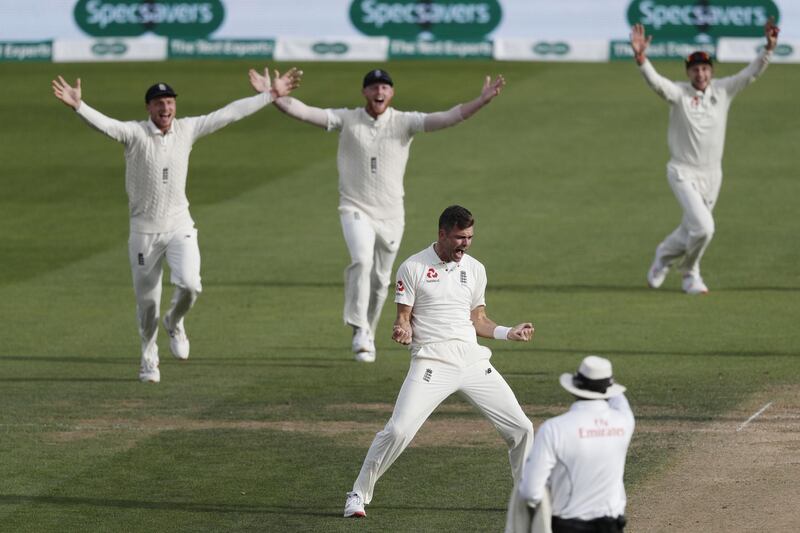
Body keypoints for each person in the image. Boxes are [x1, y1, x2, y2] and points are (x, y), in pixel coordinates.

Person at [51, 67, 302, 383]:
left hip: (179, 224)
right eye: (159, 103)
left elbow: (228, 114)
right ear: (149, 108)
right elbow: (108, 126)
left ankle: (175, 321)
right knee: (147, 303)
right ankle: (148, 359)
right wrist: (79, 107)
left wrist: (271, 94)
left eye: (169, 102)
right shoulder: (135, 134)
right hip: (144, 232)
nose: (165, 108)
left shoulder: (187, 129)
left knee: (190, 284)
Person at [271, 69, 506, 362]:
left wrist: (481, 101)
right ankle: (358, 328)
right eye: (373, 87)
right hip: (354, 206)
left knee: (382, 279)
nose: (379, 92)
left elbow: (447, 117)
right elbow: (306, 112)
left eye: (384, 87)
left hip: (392, 213)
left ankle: (367, 331)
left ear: (391, 93)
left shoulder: (403, 122)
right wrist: (274, 96)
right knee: (361, 260)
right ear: (365, 92)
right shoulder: (348, 119)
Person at [343, 205, 535, 518]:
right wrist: (402, 330)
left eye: (470, 237)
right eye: (460, 237)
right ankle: (357, 495)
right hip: (432, 360)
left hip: (472, 361)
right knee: (398, 431)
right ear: (442, 234)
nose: (466, 244)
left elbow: (478, 319)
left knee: (522, 428)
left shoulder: (475, 269)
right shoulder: (413, 267)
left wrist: (507, 332)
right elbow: (403, 319)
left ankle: (525, 499)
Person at [630, 19, 780, 294]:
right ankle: (690, 273)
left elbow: (751, 73)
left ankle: (663, 255)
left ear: (711, 71)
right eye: (695, 69)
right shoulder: (680, 94)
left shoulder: (723, 90)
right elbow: (658, 84)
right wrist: (642, 59)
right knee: (705, 228)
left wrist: (768, 49)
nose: (700, 73)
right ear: (688, 72)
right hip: (682, 171)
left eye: (705, 68)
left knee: (692, 229)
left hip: (712, 174)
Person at [513, 356, 634, 533]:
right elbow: (620, 400)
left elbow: (530, 492)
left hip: (568, 526)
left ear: (575, 389)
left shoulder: (554, 428)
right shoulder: (624, 421)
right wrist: (605, 381)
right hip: (612, 527)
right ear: (608, 389)